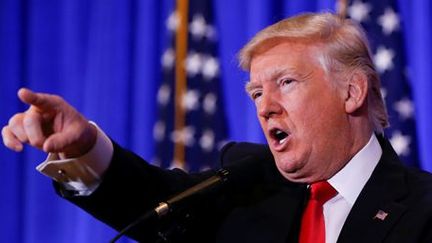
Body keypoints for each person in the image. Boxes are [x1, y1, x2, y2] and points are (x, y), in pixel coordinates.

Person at [2, 12, 432, 243]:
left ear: (352, 92)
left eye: (285, 83)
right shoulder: (249, 183)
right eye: (256, 93)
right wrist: (82, 148)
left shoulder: (424, 207)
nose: (266, 108)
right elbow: (153, 202)